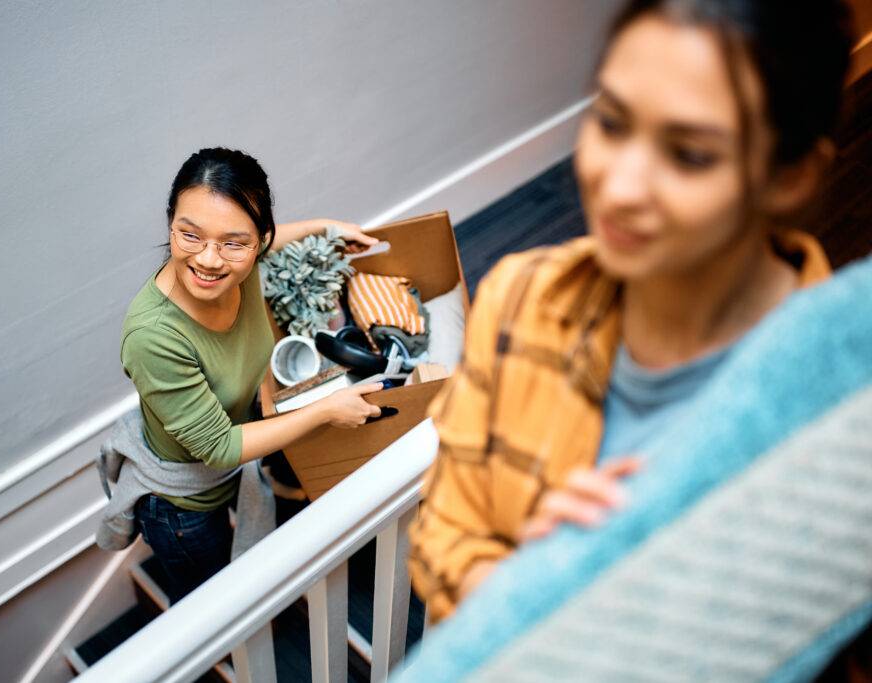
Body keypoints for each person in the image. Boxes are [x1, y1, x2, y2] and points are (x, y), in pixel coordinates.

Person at [409, 0, 855, 623]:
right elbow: (440, 531)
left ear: (791, 177)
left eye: (690, 155)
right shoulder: (519, 297)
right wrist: (522, 586)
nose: (617, 189)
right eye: (612, 123)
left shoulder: (839, 426)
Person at [122, 147, 383, 601]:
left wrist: (327, 228)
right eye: (190, 235)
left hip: (232, 466)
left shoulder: (244, 264)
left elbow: (270, 240)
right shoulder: (153, 337)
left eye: (233, 242)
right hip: (183, 507)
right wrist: (325, 411)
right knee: (213, 603)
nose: (209, 260)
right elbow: (221, 447)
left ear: (258, 240)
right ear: (171, 224)